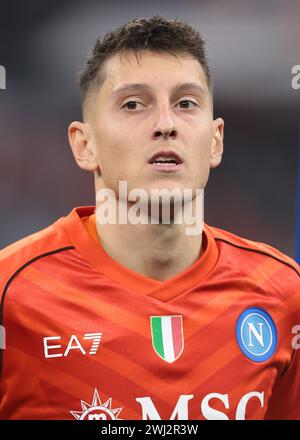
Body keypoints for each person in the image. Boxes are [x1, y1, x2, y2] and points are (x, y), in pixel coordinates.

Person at [0, 15, 299, 420]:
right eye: (133, 104)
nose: (165, 125)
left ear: (215, 141)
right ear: (84, 145)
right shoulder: (12, 294)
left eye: (186, 104)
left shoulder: (283, 293)